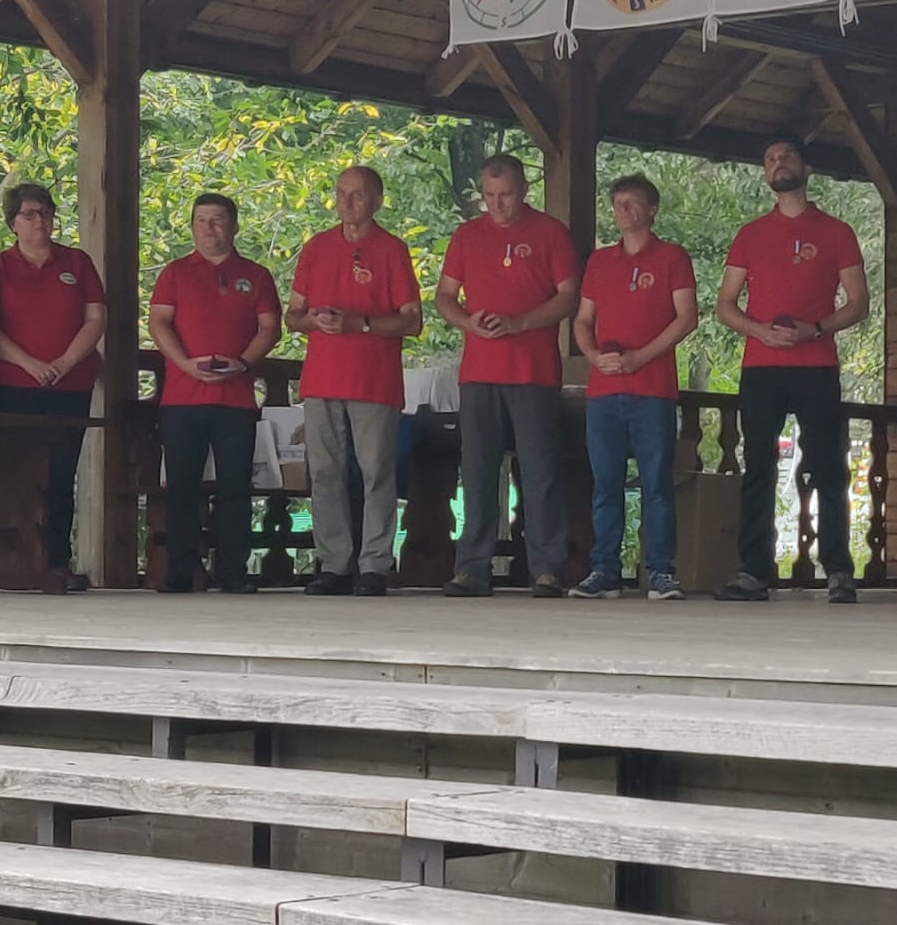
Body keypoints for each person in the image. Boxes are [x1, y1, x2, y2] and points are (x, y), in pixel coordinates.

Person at [714, 135, 869, 605]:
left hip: (816, 365)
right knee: (758, 465)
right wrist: (759, 330)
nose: (778, 163)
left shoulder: (836, 232)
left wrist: (815, 329)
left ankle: (838, 569)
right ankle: (754, 571)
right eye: (770, 159)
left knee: (827, 466)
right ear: (765, 174)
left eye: (787, 156)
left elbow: (858, 303)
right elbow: (725, 305)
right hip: (761, 366)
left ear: (807, 168)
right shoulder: (750, 235)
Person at [435, 153, 579, 599]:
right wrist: (468, 321)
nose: (497, 204)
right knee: (477, 470)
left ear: (524, 190)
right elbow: (444, 297)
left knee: (540, 471)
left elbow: (569, 297)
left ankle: (546, 568)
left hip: (533, 371)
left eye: (506, 195)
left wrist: (521, 322)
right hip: (479, 372)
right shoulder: (467, 235)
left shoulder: (550, 232)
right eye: (489, 195)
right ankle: (472, 568)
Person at [285, 165, 421, 597]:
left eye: (357, 194)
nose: (346, 202)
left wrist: (359, 323)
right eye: (341, 192)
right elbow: (292, 316)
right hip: (321, 378)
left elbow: (412, 320)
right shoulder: (316, 248)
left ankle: (375, 564)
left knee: (376, 471)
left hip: (373, 379)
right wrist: (314, 320)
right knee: (325, 472)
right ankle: (334, 564)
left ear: (377, 201)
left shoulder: (392, 250)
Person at [570, 174, 697, 600]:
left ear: (652, 209)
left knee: (655, 483)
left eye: (633, 202)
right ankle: (604, 569)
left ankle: (659, 570)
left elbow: (687, 317)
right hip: (603, 389)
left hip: (653, 388)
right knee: (605, 483)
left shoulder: (672, 257)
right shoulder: (600, 262)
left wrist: (642, 356)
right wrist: (592, 355)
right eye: (618, 203)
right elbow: (582, 319)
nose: (624, 210)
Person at [148, 192, 281, 594]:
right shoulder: (175, 273)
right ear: (192, 227)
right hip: (182, 398)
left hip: (235, 398)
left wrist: (243, 362)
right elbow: (158, 323)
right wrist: (185, 364)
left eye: (218, 219)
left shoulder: (255, 275)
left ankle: (233, 570)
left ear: (234, 226)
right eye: (201, 220)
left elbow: (270, 327)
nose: (209, 228)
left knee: (235, 487)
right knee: (181, 488)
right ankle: (181, 570)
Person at [0, 181, 105, 594]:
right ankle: (1, 559)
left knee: (60, 473)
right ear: (12, 222)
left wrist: (65, 362)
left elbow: (95, 319)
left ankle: (56, 562)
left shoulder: (77, 262)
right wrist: (29, 363)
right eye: (30, 214)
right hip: (9, 384)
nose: (40, 221)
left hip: (69, 385)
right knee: (5, 472)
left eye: (46, 213)